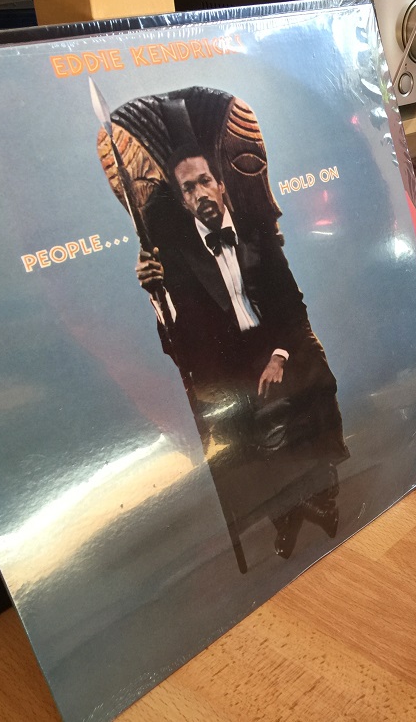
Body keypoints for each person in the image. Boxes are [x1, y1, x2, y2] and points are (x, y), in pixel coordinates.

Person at [136, 145, 348, 571]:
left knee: (310, 383)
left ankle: (322, 497)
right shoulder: (178, 258)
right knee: (235, 421)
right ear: (184, 200)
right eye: (189, 188)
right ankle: (283, 512)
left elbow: (291, 304)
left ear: (220, 185)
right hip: (229, 359)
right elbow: (179, 343)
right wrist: (157, 297)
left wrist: (278, 357)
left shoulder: (256, 232)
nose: (200, 193)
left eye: (204, 181)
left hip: (278, 343)